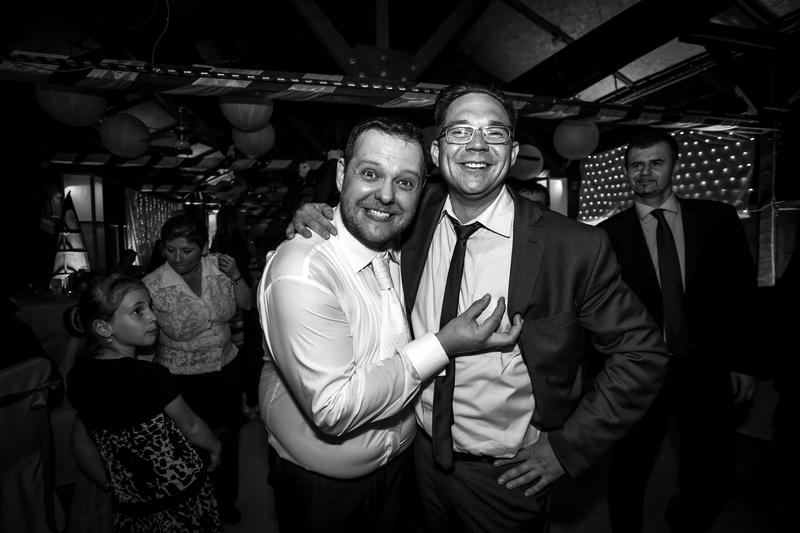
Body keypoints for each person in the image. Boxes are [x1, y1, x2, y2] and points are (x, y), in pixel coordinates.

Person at [287, 82, 671, 533]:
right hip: (414, 458)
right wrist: (319, 215)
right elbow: (362, 207)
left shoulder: (573, 246)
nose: (477, 145)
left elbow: (641, 353)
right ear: (436, 152)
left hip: (505, 476)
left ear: (512, 153)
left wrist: (567, 448)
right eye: (460, 131)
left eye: (494, 133)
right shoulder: (409, 215)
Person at [259, 116, 523, 533]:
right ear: (342, 174)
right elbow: (333, 408)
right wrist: (443, 346)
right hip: (324, 490)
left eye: (404, 182)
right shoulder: (303, 270)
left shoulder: (401, 241)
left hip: (404, 469)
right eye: (369, 174)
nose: (385, 194)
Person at [598, 129, 759, 533]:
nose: (645, 173)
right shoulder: (606, 234)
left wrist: (745, 362)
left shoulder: (717, 219)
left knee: (711, 470)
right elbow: (599, 310)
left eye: (656, 163)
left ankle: (686, 522)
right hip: (637, 373)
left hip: (705, 367)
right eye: (636, 165)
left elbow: (741, 295)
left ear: (674, 166)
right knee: (629, 469)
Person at [67, 274, 222, 532]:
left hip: (132, 506)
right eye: (138, 311)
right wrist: (215, 446)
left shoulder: (79, 377)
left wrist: (113, 487)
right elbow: (192, 426)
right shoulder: (149, 376)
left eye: (149, 307)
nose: (152, 317)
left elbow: (80, 442)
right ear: (104, 328)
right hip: (179, 496)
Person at [142, 213, 252, 524]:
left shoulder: (220, 268)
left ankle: (224, 501)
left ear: (203, 248)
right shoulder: (152, 285)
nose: (177, 258)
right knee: (189, 443)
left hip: (226, 368)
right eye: (170, 249)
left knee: (228, 437)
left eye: (186, 250)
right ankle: (192, 507)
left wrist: (237, 276)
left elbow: (247, 304)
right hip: (181, 378)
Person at [210, 205, 261, 418]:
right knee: (249, 355)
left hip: (225, 308)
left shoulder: (216, 247)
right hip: (245, 304)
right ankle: (251, 402)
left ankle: (237, 403)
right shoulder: (245, 245)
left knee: (232, 356)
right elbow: (256, 276)